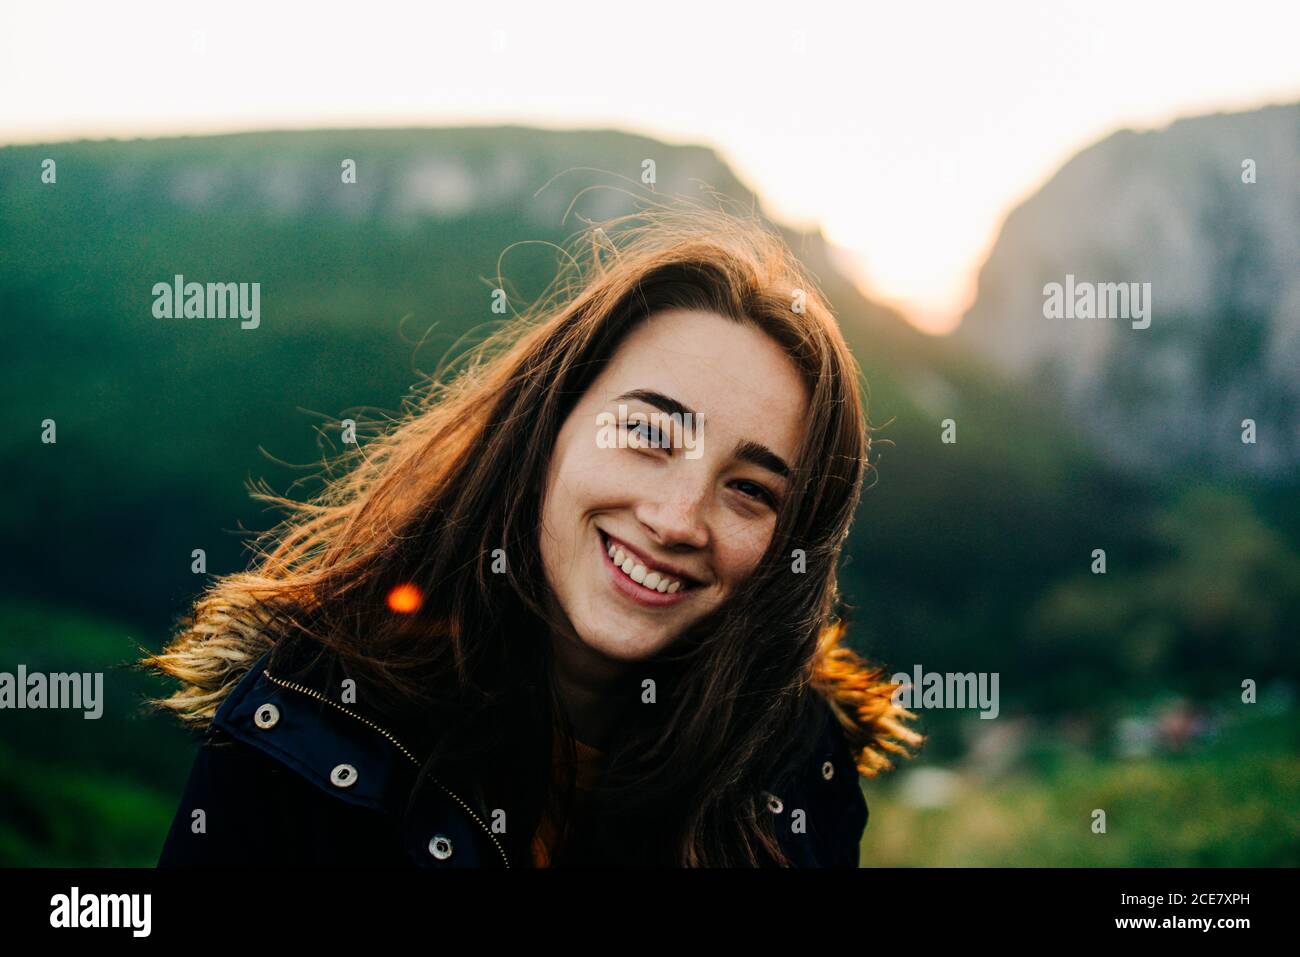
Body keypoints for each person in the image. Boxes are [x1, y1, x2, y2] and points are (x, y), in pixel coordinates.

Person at [144, 198, 922, 868]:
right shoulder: (308, 728)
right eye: (649, 436)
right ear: (549, 423)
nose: (678, 519)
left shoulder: (797, 764)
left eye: (750, 490)